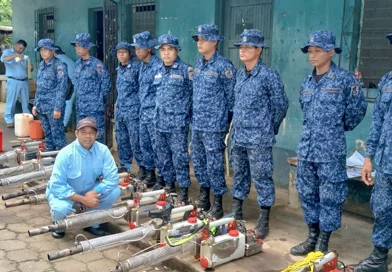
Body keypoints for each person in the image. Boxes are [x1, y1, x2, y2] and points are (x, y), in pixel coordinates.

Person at [290, 30, 367, 255]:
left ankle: (324, 240)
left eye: (318, 51)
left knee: (330, 196)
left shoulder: (344, 79)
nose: (312, 56)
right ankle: (312, 235)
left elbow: (356, 110)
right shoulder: (306, 81)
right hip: (307, 148)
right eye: (310, 51)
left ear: (331, 52)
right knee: (306, 192)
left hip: (331, 149)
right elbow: (305, 109)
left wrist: (335, 128)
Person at [230, 29, 288, 237]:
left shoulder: (268, 75)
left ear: (259, 49)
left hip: (258, 138)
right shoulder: (239, 74)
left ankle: (264, 218)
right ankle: (236, 212)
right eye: (241, 47)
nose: (243, 50)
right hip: (239, 136)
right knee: (239, 174)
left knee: (262, 177)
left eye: (248, 47)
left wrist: (267, 128)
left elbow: (281, 105)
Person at [346, 33, 392, 272]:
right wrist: (368, 158)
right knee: (382, 209)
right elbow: (378, 124)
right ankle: (379, 259)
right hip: (386, 164)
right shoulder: (387, 81)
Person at [46, 117, 121, 238]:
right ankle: (58, 225)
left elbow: (112, 178)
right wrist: (82, 199)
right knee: (61, 208)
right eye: (83, 132)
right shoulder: (66, 153)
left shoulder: (103, 150)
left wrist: (93, 192)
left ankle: (91, 221)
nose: (88, 136)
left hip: (89, 190)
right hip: (67, 193)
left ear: (97, 134)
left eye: (91, 132)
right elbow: (56, 185)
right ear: (76, 133)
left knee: (115, 191)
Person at [191, 24, 236, 219]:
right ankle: (204, 196)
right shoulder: (199, 64)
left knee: (215, 165)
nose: (199, 42)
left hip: (215, 126)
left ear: (215, 41)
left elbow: (231, 99)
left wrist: (225, 124)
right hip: (198, 124)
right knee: (199, 162)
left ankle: (217, 203)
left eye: (203, 39)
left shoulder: (224, 66)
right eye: (198, 39)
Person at [153, 34, 193, 203]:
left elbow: (193, 96)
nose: (166, 53)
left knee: (180, 157)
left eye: (170, 49)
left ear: (177, 51)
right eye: (163, 50)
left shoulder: (186, 70)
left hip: (178, 124)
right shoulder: (158, 71)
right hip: (160, 122)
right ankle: (169, 186)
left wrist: (187, 118)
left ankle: (183, 189)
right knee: (163, 156)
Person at [131, 31, 162, 187]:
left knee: (158, 147)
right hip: (143, 112)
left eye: (140, 48)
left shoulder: (157, 65)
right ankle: (150, 174)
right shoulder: (142, 65)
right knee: (145, 145)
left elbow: (160, 92)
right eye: (135, 48)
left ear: (149, 48)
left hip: (154, 114)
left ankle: (161, 178)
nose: (137, 51)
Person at [112, 42, 145, 178]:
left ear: (129, 53)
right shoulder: (119, 69)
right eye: (119, 52)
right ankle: (124, 166)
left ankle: (142, 168)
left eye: (124, 52)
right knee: (121, 139)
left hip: (133, 111)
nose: (121, 55)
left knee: (135, 141)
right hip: (120, 110)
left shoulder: (137, 67)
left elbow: (142, 89)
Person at [71, 33, 111, 143]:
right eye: (76, 46)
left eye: (80, 46)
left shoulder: (97, 65)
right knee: (82, 135)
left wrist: (98, 101)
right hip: (80, 107)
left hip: (94, 108)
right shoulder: (77, 64)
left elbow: (106, 84)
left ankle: (97, 159)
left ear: (88, 47)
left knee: (96, 135)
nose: (78, 49)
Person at [32, 39, 68, 151]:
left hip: (53, 107)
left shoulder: (59, 65)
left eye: (46, 49)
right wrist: (35, 104)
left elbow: (62, 88)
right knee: (47, 134)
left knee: (58, 135)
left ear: (53, 51)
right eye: (41, 50)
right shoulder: (42, 65)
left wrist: (57, 108)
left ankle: (62, 159)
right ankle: (50, 157)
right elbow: (39, 87)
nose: (43, 52)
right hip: (42, 106)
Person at [0, 39, 33, 128]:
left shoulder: (24, 56)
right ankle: (9, 120)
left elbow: (29, 67)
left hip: (24, 81)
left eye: (23, 49)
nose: (21, 50)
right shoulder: (8, 52)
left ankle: (28, 119)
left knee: (25, 102)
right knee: (11, 102)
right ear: (16, 45)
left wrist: (31, 67)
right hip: (13, 81)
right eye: (20, 48)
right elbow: (3, 59)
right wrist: (16, 56)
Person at [53, 46, 76, 129]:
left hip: (69, 84)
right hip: (74, 84)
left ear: (54, 52)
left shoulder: (57, 60)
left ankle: (63, 125)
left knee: (67, 104)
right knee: (68, 104)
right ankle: (63, 124)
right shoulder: (67, 58)